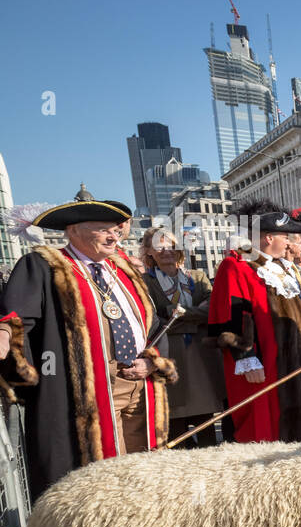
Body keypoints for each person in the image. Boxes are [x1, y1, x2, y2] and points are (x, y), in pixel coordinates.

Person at [0, 197, 177, 500]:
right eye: (102, 230)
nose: (114, 237)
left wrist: (152, 362)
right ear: (74, 230)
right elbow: (16, 317)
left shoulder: (123, 269)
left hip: (138, 385)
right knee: (106, 479)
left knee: (144, 471)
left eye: (116, 231)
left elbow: (157, 322)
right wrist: (5, 334)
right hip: (87, 390)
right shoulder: (44, 266)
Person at [208, 200, 301, 443]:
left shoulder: (281, 267)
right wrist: (245, 357)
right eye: (285, 236)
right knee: (264, 430)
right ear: (268, 237)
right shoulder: (237, 266)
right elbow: (229, 317)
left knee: (300, 427)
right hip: (262, 366)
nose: (289, 242)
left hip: (294, 363)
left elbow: (298, 313)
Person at [140, 227, 227, 447]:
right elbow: (151, 315)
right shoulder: (144, 282)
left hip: (201, 355)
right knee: (174, 420)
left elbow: (211, 309)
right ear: (149, 251)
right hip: (169, 354)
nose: (167, 250)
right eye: (159, 246)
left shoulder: (196, 277)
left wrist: (178, 313)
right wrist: (191, 314)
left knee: (206, 419)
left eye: (171, 244)